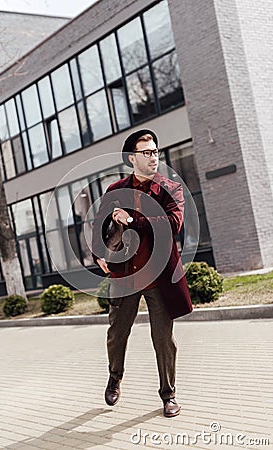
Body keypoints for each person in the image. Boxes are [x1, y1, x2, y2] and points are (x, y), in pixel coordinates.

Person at [92, 129, 193, 417]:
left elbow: (171, 225)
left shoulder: (170, 189)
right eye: (147, 152)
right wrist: (98, 253)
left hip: (160, 276)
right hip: (125, 275)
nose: (153, 157)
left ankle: (169, 394)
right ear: (132, 157)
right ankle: (115, 376)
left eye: (155, 151)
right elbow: (100, 224)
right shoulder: (115, 190)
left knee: (163, 338)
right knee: (117, 332)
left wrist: (133, 220)